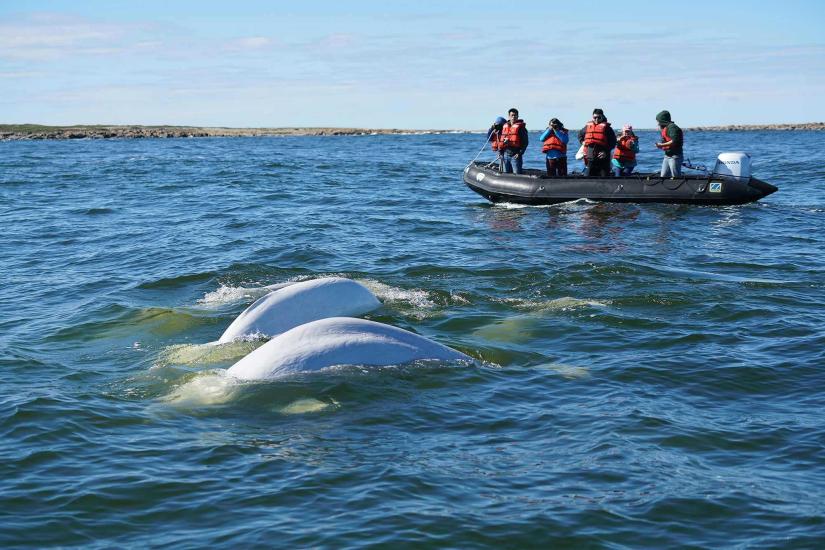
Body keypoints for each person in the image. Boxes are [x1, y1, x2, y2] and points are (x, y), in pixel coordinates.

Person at [578, 108, 617, 177]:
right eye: (594, 117)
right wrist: (582, 142)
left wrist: (605, 151)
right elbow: (580, 135)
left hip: (603, 158)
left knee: (604, 177)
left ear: (602, 117)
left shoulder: (607, 128)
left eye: (599, 117)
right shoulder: (587, 127)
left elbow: (613, 142)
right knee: (588, 176)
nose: (596, 119)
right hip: (590, 158)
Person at [655, 110, 684, 178]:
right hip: (667, 156)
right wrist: (661, 146)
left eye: (659, 121)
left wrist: (661, 145)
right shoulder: (665, 128)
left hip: (675, 156)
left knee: (676, 176)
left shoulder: (672, 127)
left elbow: (674, 141)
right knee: (663, 176)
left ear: (663, 120)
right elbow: (666, 141)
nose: (658, 123)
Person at [500, 108, 528, 174]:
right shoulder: (504, 126)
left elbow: (525, 142)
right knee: (505, 174)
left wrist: (520, 153)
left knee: (517, 174)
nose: (513, 117)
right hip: (506, 154)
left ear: (518, 116)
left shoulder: (521, 128)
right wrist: (501, 152)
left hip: (515, 155)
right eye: (512, 115)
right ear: (509, 116)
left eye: (515, 115)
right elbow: (499, 139)